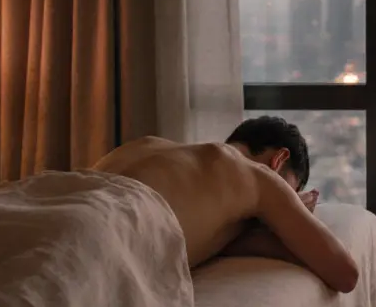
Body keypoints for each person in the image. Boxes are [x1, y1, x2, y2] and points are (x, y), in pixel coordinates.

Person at [93, 115, 359, 293]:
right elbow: (345, 274)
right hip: (104, 236)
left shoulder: (148, 146)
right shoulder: (260, 176)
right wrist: (294, 208)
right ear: (279, 159)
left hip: (62, 199)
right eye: (291, 187)